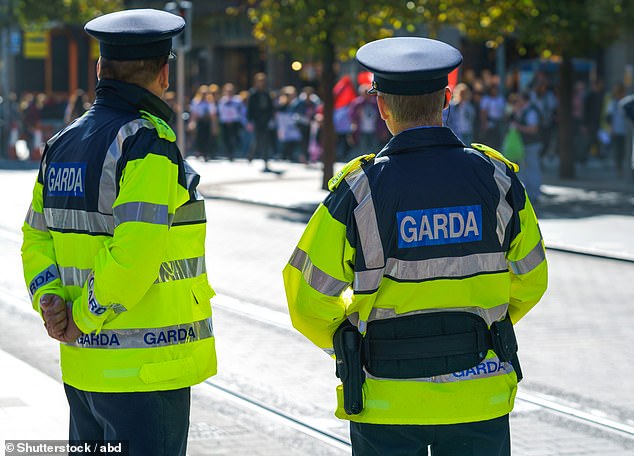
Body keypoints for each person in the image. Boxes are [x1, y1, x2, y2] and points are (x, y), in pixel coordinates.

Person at [282, 37, 548, 456]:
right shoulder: (498, 181)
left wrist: (350, 336)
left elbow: (307, 298)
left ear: (382, 107)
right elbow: (531, 278)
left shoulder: (358, 191)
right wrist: (485, 321)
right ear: (446, 100)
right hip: (478, 396)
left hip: (388, 400)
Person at [21, 9, 217, 455]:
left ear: (99, 69)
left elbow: (35, 238)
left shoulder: (61, 144)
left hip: (85, 374)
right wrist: (82, 322)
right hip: (145, 372)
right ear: (164, 73)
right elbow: (135, 254)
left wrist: (49, 300)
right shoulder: (147, 143)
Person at [512, 91, 543, 202]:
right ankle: (530, 193)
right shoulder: (524, 111)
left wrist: (518, 127)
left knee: (532, 169)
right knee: (527, 169)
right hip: (526, 144)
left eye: (519, 99)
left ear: (523, 100)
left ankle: (534, 194)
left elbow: (533, 129)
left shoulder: (531, 112)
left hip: (531, 144)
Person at [246, 72, 275, 171]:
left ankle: (265, 159)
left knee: (265, 140)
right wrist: (250, 120)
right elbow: (250, 108)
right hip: (256, 120)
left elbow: (271, 107)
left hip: (265, 120)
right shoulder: (253, 93)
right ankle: (251, 155)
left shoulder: (267, 93)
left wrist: (270, 117)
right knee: (257, 139)